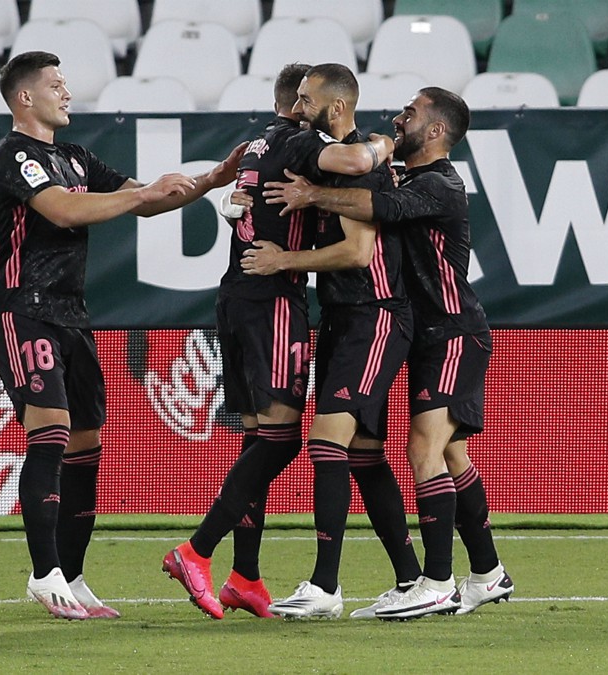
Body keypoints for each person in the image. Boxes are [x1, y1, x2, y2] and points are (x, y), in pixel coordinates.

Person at [0, 51, 247, 620]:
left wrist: (211, 180)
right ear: (25, 97)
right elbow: (62, 210)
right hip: (24, 309)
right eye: (56, 85)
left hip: (72, 315)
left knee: (86, 444)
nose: (67, 92)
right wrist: (142, 195)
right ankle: (43, 572)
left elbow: (151, 202)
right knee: (50, 430)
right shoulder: (13, 156)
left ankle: (73, 579)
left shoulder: (75, 156)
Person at [258, 87, 512, 619]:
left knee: (425, 448)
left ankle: (437, 582)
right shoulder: (411, 175)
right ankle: (487, 572)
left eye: (411, 113)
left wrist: (311, 195)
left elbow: (378, 207)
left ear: (437, 130)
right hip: (423, 334)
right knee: (448, 453)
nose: (399, 118)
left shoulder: (441, 185)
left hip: (452, 332)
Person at [160, 63, 397, 620]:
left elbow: (215, 177)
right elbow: (356, 159)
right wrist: (385, 141)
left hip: (233, 297)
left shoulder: (251, 145)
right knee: (284, 441)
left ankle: (245, 576)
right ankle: (198, 549)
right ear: (301, 103)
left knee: (256, 441)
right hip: (273, 298)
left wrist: (217, 196)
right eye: (307, 99)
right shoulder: (299, 143)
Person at [237, 64, 419, 619]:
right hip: (343, 316)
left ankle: (325, 587)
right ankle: (413, 580)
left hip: (376, 314)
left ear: (336, 107)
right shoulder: (317, 157)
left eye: (307, 98)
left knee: (325, 441)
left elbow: (358, 253)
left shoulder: (358, 159)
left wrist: (283, 259)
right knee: (364, 455)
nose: (297, 104)